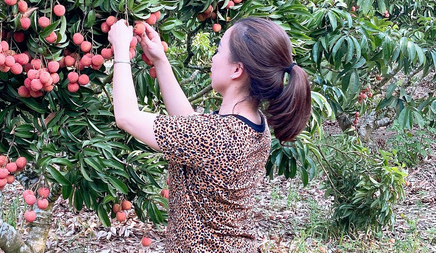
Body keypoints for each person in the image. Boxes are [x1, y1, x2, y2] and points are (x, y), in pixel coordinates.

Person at [108, 16, 312, 253]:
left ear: (237, 70)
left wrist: (121, 51)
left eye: (219, 50)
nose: (213, 58)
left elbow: (126, 116)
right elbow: (191, 127)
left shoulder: (217, 136)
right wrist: (160, 61)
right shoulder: (256, 126)